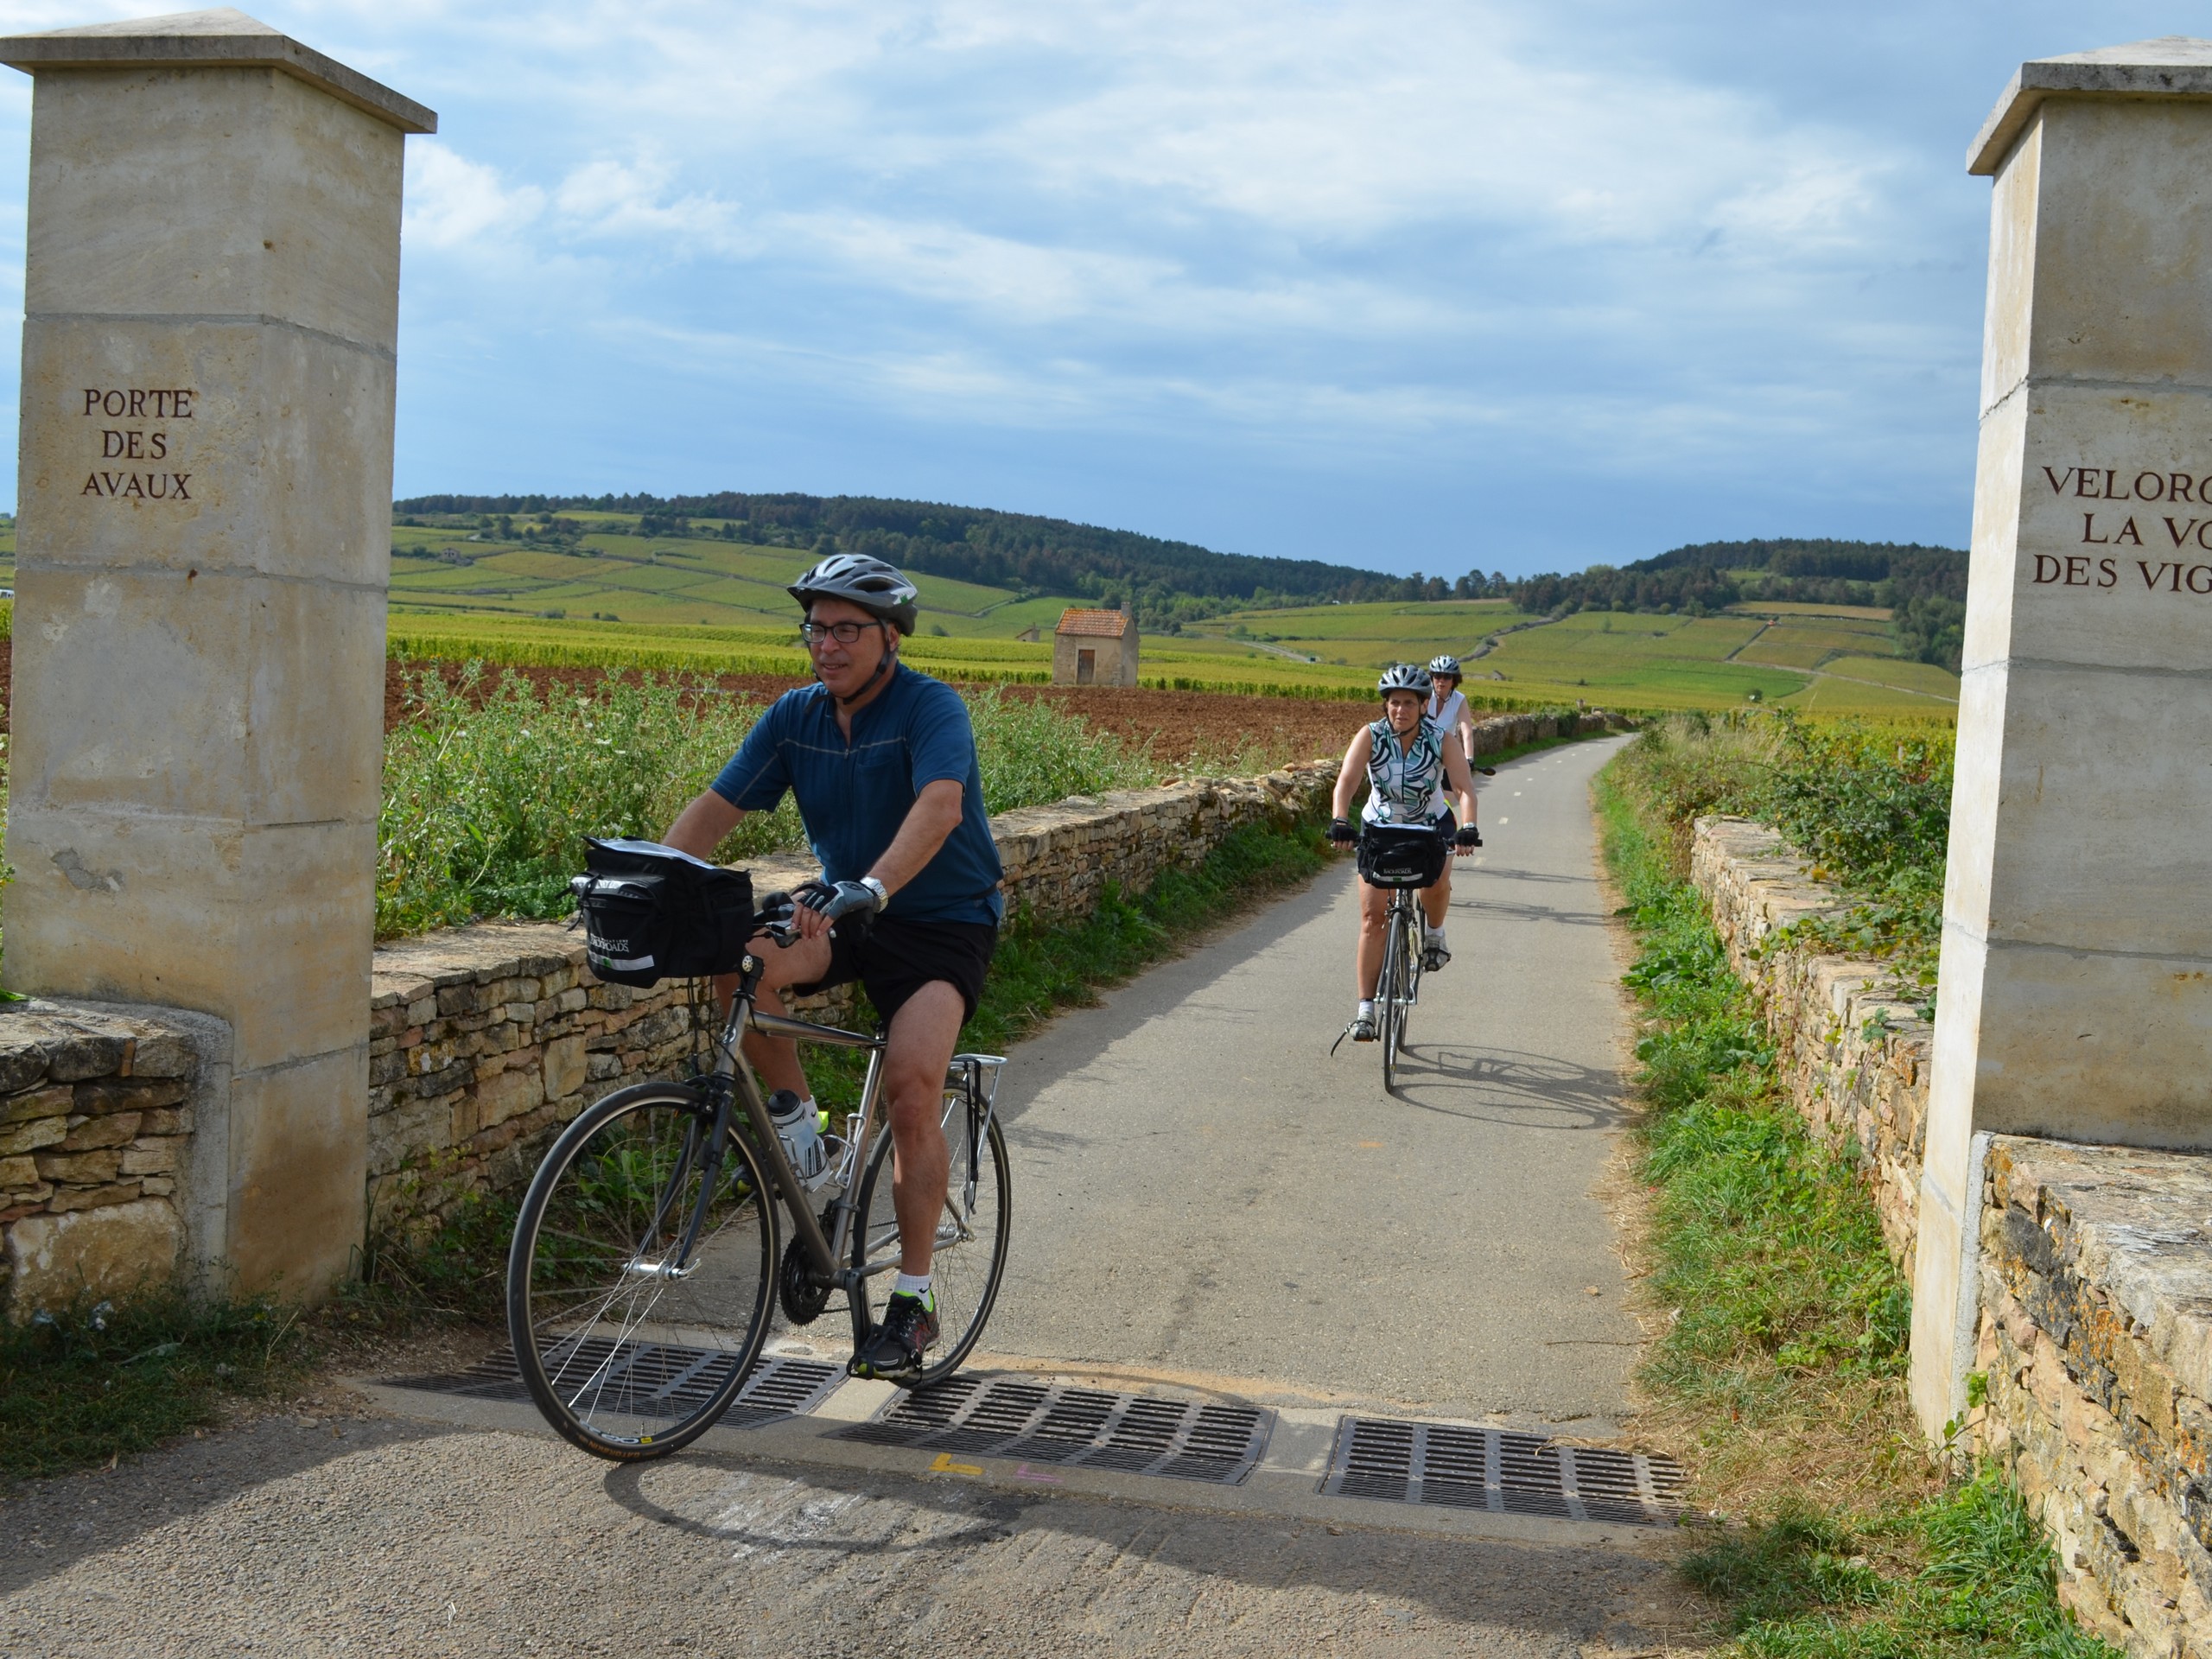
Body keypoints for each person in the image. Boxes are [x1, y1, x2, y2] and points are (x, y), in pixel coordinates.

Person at [662, 553, 1003, 1382]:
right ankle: (801, 1134)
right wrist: (654, 879)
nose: (826, 645)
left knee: (912, 1086)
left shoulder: (931, 707)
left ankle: (914, 1304)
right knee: (739, 962)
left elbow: (940, 805)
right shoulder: (795, 719)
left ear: (890, 637)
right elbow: (717, 808)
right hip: (844, 908)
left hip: (940, 920)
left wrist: (877, 885)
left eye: (846, 629)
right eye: (815, 628)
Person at [1326, 663, 1482, 1042]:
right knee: (1370, 917)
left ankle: (1435, 934)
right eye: (1394, 702)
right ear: (1386, 706)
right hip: (1380, 826)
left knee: (1436, 883)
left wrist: (1468, 826)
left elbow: (1463, 789)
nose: (1401, 710)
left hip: (1430, 824)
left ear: (1424, 704)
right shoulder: (1370, 735)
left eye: (1409, 703)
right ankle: (1365, 1011)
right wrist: (1340, 820)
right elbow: (1346, 780)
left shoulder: (1440, 739)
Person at [1427, 654, 1478, 765]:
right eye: (1437, 676)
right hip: (1421, 753)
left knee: (1456, 781)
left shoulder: (1459, 699)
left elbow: (1467, 731)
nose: (1441, 681)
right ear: (1432, 677)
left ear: (1454, 680)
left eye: (1447, 677)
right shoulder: (1424, 696)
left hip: (1446, 754)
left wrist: (1469, 758)